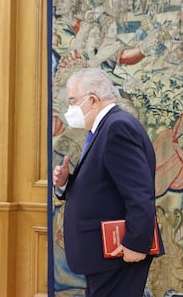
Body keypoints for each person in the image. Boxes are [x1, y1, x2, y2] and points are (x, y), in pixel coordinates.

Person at [53, 67, 164, 297]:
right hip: (104, 255)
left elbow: (139, 193)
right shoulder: (107, 127)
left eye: (73, 101)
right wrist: (66, 183)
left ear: (92, 99)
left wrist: (135, 243)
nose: (70, 109)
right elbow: (106, 188)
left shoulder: (117, 127)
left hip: (119, 253)